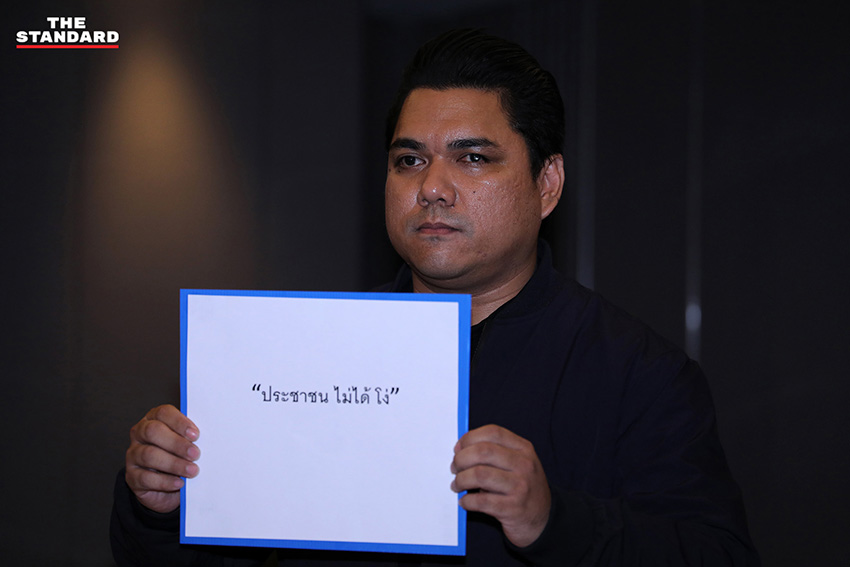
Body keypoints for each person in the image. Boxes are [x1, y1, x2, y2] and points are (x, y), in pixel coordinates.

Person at [111, 29, 760, 566]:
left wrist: (554, 521)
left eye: (472, 158)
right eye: (410, 160)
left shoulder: (639, 375)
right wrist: (158, 506)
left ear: (548, 183)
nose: (433, 188)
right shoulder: (302, 354)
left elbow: (718, 554)